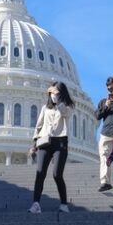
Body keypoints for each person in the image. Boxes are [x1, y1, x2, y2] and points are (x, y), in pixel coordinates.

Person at [28, 81, 75, 214]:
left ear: (61, 93)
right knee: (40, 173)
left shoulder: (69, 106)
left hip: (60, 143)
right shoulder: (45, 108)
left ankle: (64, 204)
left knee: (57, 174)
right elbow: (39, 126)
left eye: (56, 92)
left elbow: (65, 113)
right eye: (52, 92)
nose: (53, 95)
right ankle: (36, 204)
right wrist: (33, 145)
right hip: (44, 142)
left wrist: (58, 99)